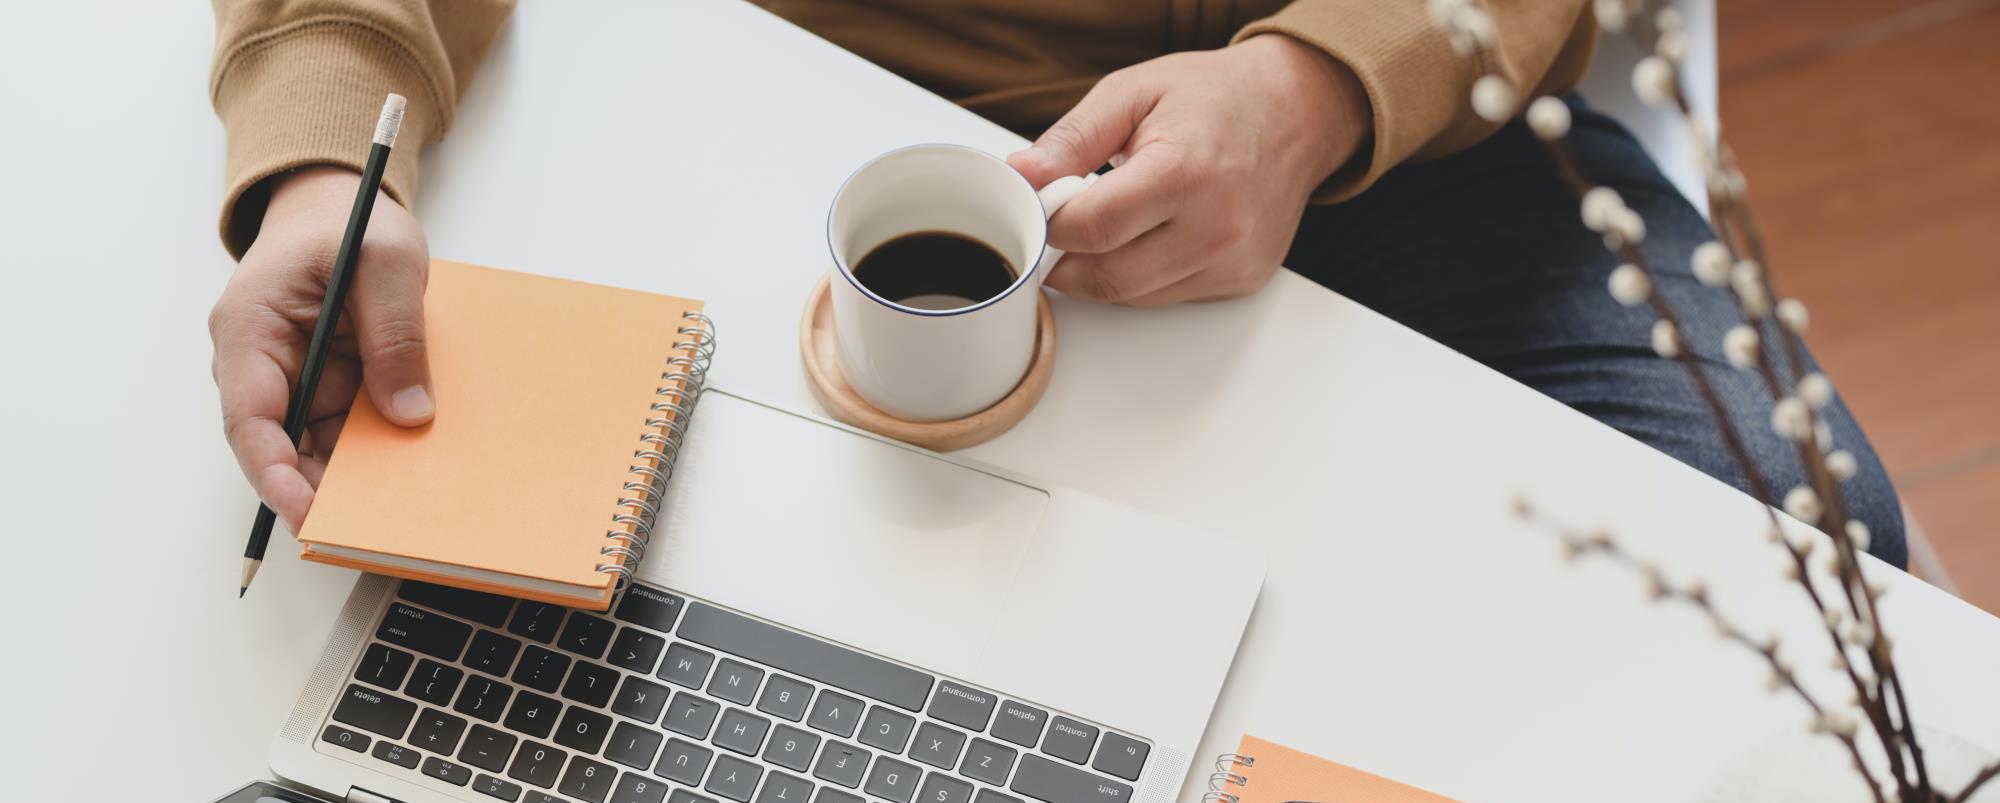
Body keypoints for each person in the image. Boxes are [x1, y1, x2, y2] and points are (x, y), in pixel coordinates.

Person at [204, 0, 1907, 567]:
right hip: (789, 111)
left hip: (1380, 128)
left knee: (1797, 566)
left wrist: (1319, 83)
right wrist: (312, 168)